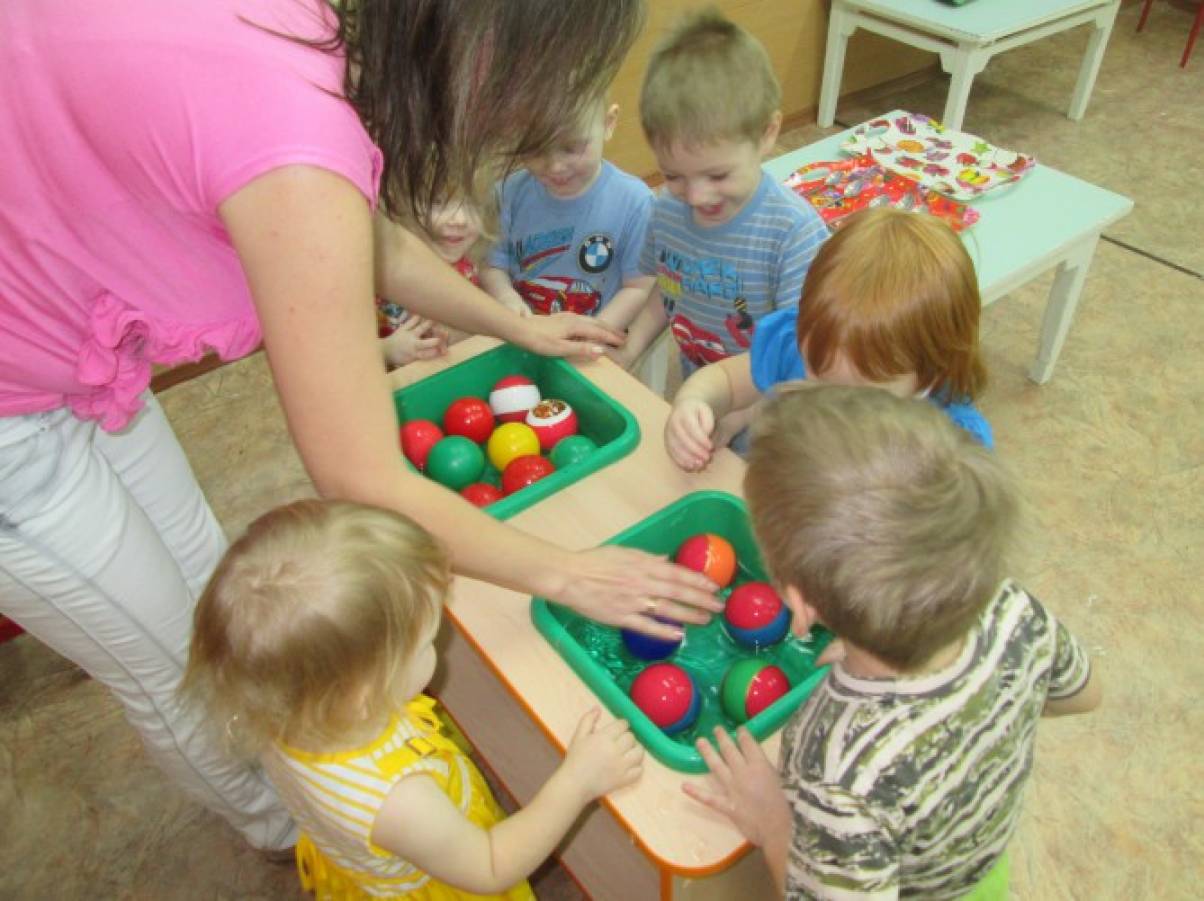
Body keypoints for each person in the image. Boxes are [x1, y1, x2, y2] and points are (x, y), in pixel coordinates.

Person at [0, 0, 718, 853]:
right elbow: (362, 476)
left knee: (209, 592)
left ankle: (298, 778)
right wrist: (567, 574)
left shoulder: (314, 57)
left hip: (63, 328)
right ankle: (291, 827)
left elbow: (350, 227)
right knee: (167, 661)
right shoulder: (287, 119)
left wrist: (513, 326)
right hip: (15, 407)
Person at [684, 386, 1101, 899]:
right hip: (983, 875)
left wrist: (773, 821)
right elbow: (1083, 694)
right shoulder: (1013, 609)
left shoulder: (835, 763)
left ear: (802, 607)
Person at [183, 499, 642, 899]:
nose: (439, 644)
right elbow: (490, 864)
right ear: (365, 693)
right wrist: (578, 780)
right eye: (426, 643)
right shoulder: (399, 800)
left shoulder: (285, 698)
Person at [613, 9, 827, 429]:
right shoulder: (665, 210)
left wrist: (742, 416)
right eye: (673, 175)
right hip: (703, 393)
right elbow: (667, 288)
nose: (696, 196)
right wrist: (630, 347)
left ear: (767, 133)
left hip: (775, 414)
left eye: (717, 175)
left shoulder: (795, 234)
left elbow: (808, 357)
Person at [665, 206, 993, 472]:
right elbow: (725, 379)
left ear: (931, 371)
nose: (834, 404)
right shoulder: (800, 343)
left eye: (860, 397)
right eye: (818, 376)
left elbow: (960, 538)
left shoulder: (956, 447)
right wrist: (694, 403)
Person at [481, 96, 655, 331]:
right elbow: (492, 266)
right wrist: (506, 300)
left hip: (595, 342)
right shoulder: (506, 194)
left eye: (571, 148)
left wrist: (593, 332)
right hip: (524, 334)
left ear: (608, 123)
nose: (555, 167)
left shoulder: (637, 204)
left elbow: (638, 288)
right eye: (534, 150)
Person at [378, 196, 484, 370]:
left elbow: (473, 333)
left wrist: (451, 336)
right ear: (396, 209)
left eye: (472, 204)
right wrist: (388, 349)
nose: (461, 220)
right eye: (438, 203)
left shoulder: (466, 267)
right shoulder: (378, 273)